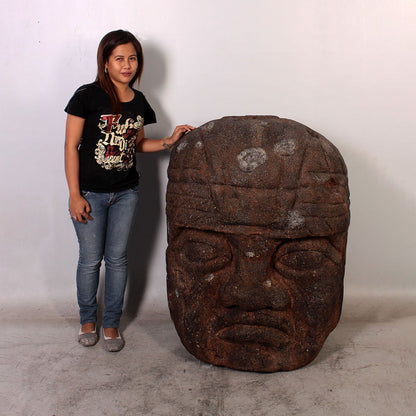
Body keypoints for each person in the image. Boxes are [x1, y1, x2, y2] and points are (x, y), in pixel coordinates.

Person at [64, 29, 194, 352]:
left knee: (118, 259)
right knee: (91, 260)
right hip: (90, 195)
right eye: (119, 58)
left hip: (126, 194)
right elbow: (70, 146)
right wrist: (74, 194)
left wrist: (168, 141)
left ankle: (111, 324)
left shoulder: (139, 102)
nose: (127, 65)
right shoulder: (86, 96)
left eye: (132, 58)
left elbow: (137, 144)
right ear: (105, 63)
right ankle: (88, 320)